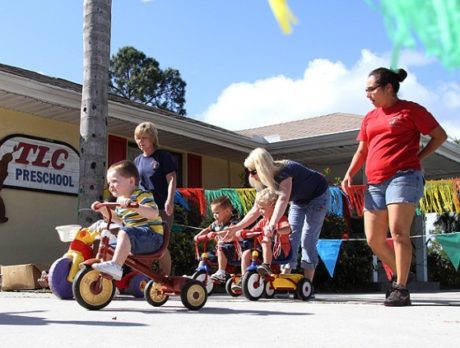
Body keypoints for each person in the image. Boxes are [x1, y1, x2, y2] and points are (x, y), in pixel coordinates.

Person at [341, 67, 447, 306]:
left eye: (370, 89)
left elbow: (439, 135)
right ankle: (403, 273)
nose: (367, 94)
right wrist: (350, 173)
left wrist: (418, 157)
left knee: (398, 231)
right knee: (374, 239)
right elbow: (363, 149)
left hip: (404, 176)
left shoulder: (412, 110)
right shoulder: (370, 117)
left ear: (388, 88)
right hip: (375, 182)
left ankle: (400, 288)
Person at [226, 147, 331, 284]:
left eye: (253, 171)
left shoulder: (285, 172)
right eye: (248, 172)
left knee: (308, 239)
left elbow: (283, 200)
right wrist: (237, 227)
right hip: (298, 200)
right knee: (289, 236)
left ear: (262, 168)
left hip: (318, 196)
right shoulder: (265, 181)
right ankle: (284, 279)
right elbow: (257, 208)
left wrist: (271, 224)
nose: (251, 176)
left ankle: (307, 284)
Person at [91, 160, 164, 280]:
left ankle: (116, 266)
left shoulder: (142, 195)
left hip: (152, 237)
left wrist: (135, 206)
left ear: (131, 181)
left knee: (125, 232)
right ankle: (107, 283)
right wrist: (103, 210)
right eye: (109, 183)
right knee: (108, 247)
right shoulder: (120, 200)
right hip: (135, 237)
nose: (110, 186)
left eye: (114, 181)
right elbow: (120, 221)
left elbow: (154, 213)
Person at [134, 121, 177, 275]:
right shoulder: (137, 161)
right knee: (142, 243)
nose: (140, 141)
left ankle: (165, 278)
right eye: (138, 138)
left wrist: (169, 200)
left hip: (162, 208)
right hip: (144, 208)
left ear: (152, 138)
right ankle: (142, 277)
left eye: (143, 138)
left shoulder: (163, 157)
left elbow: (172, 179)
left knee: (161, 245)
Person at [236, 188, 291, 277]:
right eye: (259, 208)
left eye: (262, 208)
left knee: (266, 240)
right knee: (246, 253)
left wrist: (275, 231)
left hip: (280, 251)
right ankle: (244, 277)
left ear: (274, 207)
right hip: (264, 250)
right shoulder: (262, 221)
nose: (260, 211)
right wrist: (243, 233)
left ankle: (266, 266)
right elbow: (252, 232)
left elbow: (288, 229)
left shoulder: (281, 219)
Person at [193, 196, 240, 283]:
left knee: (221, 246)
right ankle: (199, 272)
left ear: (227, 211)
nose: (214, 215)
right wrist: (198, 236)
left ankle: (221, 272)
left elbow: (228, 231)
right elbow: (207, 229)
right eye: (213, 213)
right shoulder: (216, 224)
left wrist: (215, 234)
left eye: (217, 213)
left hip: (232, 251)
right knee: (204, 256)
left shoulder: (233, 222)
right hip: (218, 251)